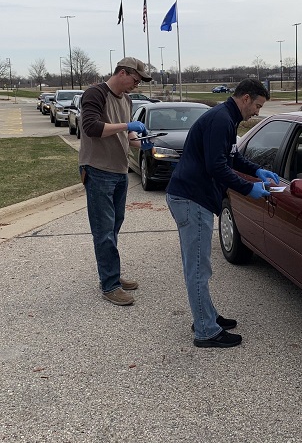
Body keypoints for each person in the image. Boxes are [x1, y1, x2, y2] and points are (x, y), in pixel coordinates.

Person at [166, 78, 280, 348]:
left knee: (198, 265)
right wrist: (249, 188)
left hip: (193, 198)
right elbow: (217, 167)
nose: (257, 112)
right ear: (245, 98)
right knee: (197, 267)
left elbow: (231, 157)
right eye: (257, 106)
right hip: (192, 199)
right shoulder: (221, 120)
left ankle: (206, 316)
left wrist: (256, 171)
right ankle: (205, 331)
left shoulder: (226, 118)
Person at [78, 57, 152, 306]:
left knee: (114, 227)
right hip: (98, 170)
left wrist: (142, 141)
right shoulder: (95, 94)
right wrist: (126, 125)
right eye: (135, 79)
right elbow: (91, 127)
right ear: (122, 73)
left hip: (120, 171)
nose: (136, 85)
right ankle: (110, 285)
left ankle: (112, 275)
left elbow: (126, 135)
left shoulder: (127, 100)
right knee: (104, 231)